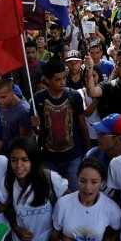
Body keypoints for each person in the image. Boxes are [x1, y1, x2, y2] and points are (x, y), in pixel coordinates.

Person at [0, 136, 69, 241]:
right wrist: (16, 228)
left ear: (34, 160)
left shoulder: (50, 178)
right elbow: (7, 208)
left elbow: (69, 202)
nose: (18, 166)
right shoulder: (7, 182)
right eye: (14, 160)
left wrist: (57, 233)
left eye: (25, 160)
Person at [32, 60, 90, 192]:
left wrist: (87, 153)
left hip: (73, 157)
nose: (62, 82)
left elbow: (82, 125)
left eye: (64, 78)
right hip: (49, 159)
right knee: (53, 195)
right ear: (47, 80)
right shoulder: (38, 99)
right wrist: (35, 126)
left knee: (75, 194)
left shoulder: (73, 96)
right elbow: (38, 131)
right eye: (58, 79)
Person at [52, 158, 121, 241]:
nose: (87, 187)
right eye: (83, 181)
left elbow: (116, 232)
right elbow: (54, 238)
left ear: (102, 183)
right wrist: (66, 240)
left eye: (94, 182)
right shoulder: (62, 204)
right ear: (77, 179)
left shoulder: (111, 208)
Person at [0, 78, 30, 150]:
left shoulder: (23, 111)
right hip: (5, 147)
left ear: (13, 93)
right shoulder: (5, 103)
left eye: (3, 97)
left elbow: (23, 140)